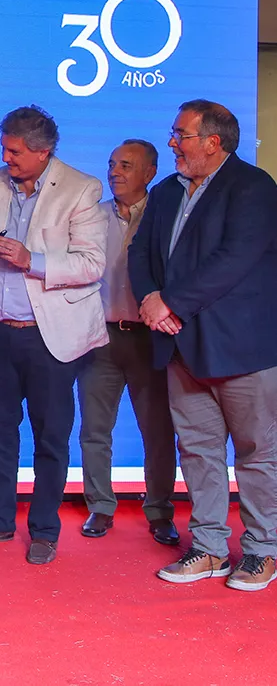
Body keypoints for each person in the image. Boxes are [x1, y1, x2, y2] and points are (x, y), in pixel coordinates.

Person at [130, 100, 277, 591]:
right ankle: (210, 547)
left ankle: (263, 550)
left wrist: (169, 303)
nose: (172, 142)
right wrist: (151, 300)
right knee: (197, 451)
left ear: (213, 142)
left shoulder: (253, 186)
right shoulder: (166, 191)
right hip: (180, 345)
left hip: (242, 349)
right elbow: (140, 252)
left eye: (181, 134)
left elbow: (234, 259)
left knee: (257, 453)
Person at [0, 106, 106, 566]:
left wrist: (31, 260)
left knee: (51, 436)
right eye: (4, 148)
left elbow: (92, 264)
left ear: (44, 152)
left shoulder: (81, 188)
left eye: (15, 151)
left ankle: (44, 530)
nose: (6, 158)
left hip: (49, 336)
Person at [78, 140, 178, 545]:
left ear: (150, 173)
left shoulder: (165, 217)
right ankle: (100, 506)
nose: (114, 172)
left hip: (148, 339)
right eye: (111, 164)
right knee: (94, 429)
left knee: (157, 431)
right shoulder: (91, 216)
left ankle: (160, 511)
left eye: (125, 165)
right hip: (99, 337)